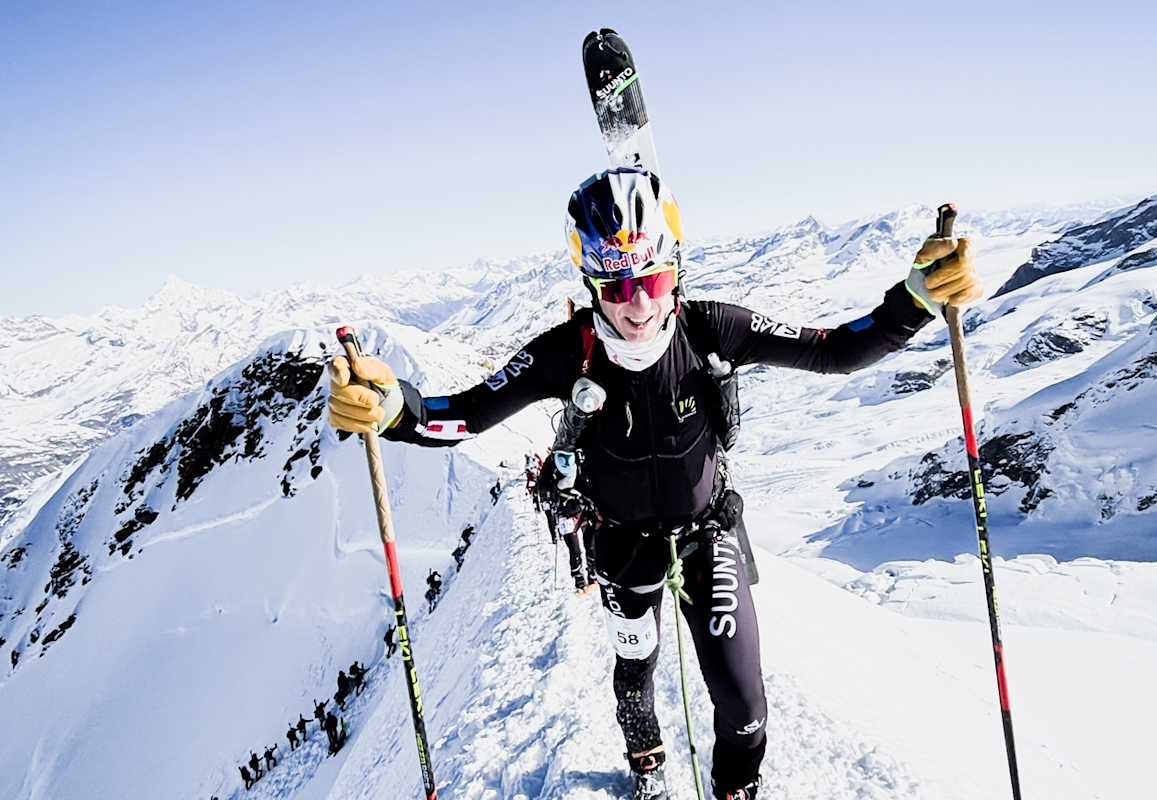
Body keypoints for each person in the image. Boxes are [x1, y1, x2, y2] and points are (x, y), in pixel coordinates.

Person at [327, 167, 981, 799]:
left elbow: (834, 350)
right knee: (635, 674)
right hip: (622, 547)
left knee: (743, 700)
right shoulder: (566, 351)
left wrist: (916, 300)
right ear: (588, 283)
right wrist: (396, 410)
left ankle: (734, 789)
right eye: (614, 286)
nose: (638, 304)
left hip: (708, 535)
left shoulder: (712, 329)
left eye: (654, 277)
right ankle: (647, 763)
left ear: (677, 268)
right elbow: (462, 414)